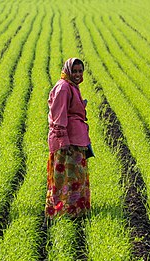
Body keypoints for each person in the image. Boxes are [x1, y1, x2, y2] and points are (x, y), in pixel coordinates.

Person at [46, 57, 92, 218]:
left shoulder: (72, 86)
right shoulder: (64, 88)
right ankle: (62, 211)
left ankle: (75, 211)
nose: (78, 74)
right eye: (75, 71)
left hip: (77, 140)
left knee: (76, 177)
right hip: (67, 142)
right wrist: (62, 141)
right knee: (65, 178)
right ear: (67, 71)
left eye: (80, 71)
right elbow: (58, 117)